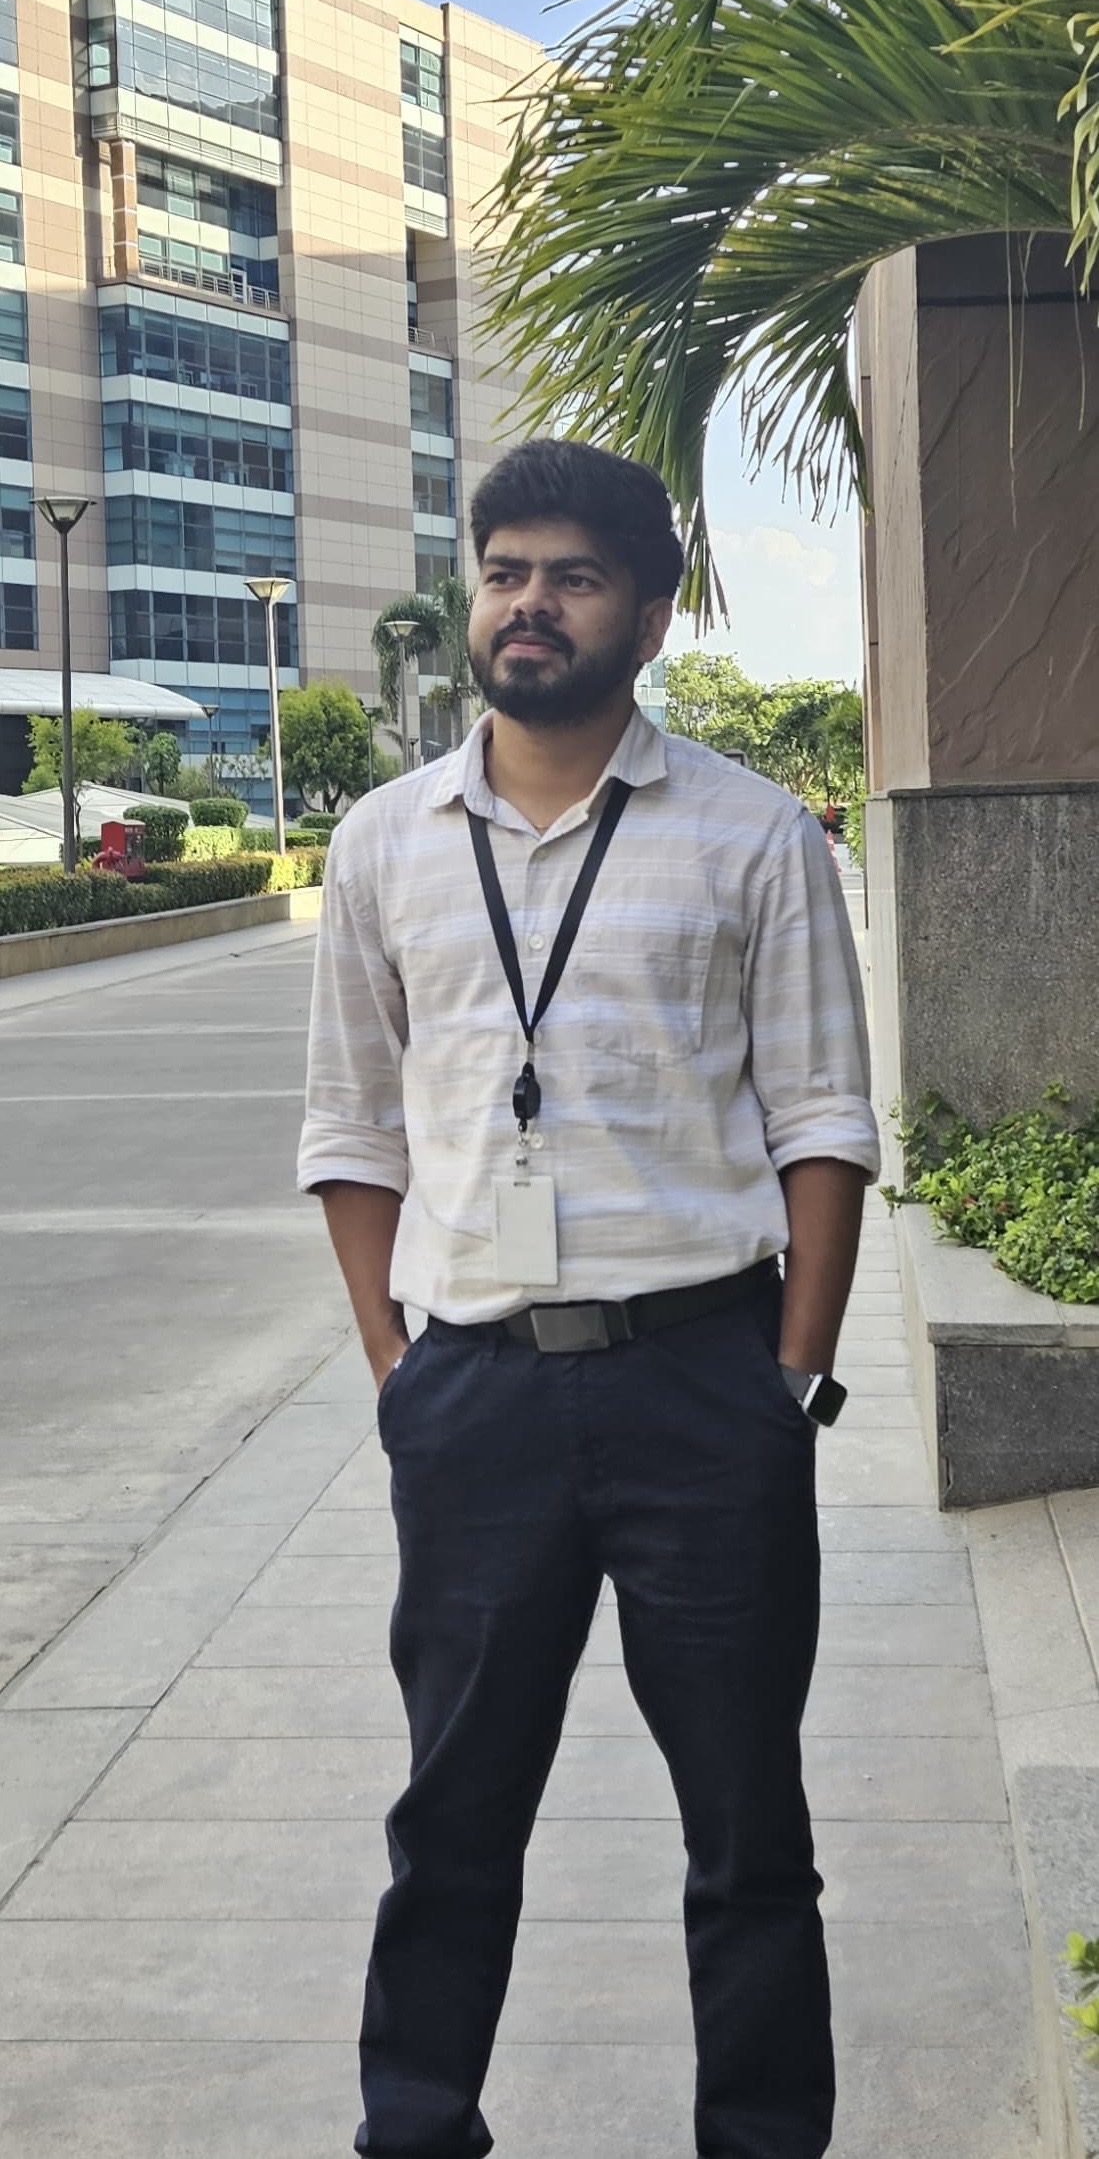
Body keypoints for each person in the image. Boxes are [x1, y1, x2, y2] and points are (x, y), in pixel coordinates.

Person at [298, 438, 881, 2159]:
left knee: (747, 1824)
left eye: (573, 576)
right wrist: (395, 1366)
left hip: (701, 1380)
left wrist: (789, 1383)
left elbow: (823, 1125)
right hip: (473, 1393)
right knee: (453, 1812)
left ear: (648, 613)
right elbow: (352, 1128)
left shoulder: (754, 835)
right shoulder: (386, 842)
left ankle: (762, 2139)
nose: (530, 605)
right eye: (506, 573)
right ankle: (417, 2127)